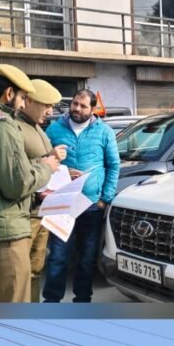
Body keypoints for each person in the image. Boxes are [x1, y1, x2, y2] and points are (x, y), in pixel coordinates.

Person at [0, 64, 60, 303]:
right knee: (13, 307)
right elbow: (16, 184)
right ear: (9, 94)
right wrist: (47, 167)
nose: (22, 104)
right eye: (23, 97)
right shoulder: (0, 123)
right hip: (4, 233)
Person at [43, 90, 120, 303]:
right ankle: (51, 302)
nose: (77, 108)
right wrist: (62, 171)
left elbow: (113, 165)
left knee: (86, 259)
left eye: (83, 106)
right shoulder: (55, 128)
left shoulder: (104, 132)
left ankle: (82, 301)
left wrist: (105, 198)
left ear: (93, 109)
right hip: (62, 203)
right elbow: (43, 160)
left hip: (92, 205)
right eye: (75, 103)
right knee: (58, 257)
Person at [14, 79, 66, 302]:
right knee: (20, 275)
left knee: (36, 269)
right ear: (29, 100)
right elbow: (17, 172)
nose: (50, 111)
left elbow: (40, 161)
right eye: (47, 105)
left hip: (43, 211)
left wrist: (56, 160)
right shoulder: (13, 127)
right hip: (26, 212)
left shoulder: (38, 128)